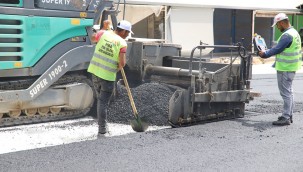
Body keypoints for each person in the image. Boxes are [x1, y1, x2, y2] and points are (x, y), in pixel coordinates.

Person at [88, 20, 133, 134]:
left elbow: (93, 38)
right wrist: (115, 68)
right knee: (103, 102)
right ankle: (102, 128)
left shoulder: (103, 34)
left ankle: (102, 124)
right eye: (127, 32)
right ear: (122, 31)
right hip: (107, 76)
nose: (127, 35)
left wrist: (103, 28)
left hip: (94, 72)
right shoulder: (122, 43)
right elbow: (122, 64)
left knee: (100, 100)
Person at [258, 13, 302, 126]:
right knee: (289, 92)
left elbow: (277, 49)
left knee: (286, 93)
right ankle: (289, 114)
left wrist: (264, 54)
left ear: (281, 23)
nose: (277, 27)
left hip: (285, 68)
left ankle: (286, 117)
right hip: (291, 67)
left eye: (277, 25)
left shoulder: (287, 35)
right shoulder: (295, 33)